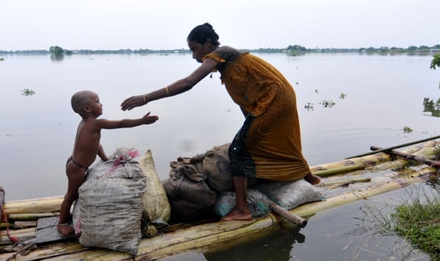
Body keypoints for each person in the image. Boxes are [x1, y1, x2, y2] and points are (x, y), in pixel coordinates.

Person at [121, 23, 319, 222]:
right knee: (274, 140)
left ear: (208, 44)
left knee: (237, 151)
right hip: (278, 97)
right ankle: (307, 176)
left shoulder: (221, 53)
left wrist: (146, 98)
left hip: (273, 100)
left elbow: (188, 83)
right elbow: (246, 98)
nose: (194, 56)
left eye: (195, 49)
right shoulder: (228, 62)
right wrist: (248, 126)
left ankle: (243, 210)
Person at [58, 90, 158, 236]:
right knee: (71, 195)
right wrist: (141, 121)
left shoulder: (86, 124)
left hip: (74, 164)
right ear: (87, 109)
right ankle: (61, 223)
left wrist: (106, 159)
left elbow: (95, 145)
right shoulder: (96, 123)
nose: (101, 104)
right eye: (98, 101)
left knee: (74, 194)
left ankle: (67, 215)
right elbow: (121, 123)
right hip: (77, 169)